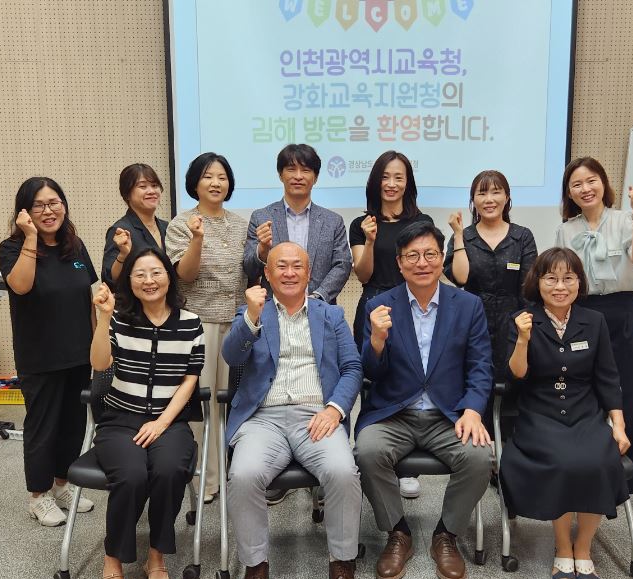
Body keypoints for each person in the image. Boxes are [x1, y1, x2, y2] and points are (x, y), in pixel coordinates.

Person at [222, 242, 363, 579]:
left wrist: (334, 409)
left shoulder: (331, 315)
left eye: (296, 266)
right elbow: (231, 356)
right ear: (267, 274)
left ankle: (342, 564)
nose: (289, 272)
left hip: (315, 415)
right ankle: (256, 567)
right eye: (280, 266)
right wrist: (251, 318)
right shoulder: (251, 312)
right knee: (244, 474)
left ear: (308, 272)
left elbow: (352, 368)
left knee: (343, 471)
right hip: (263, 419)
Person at [356, 221, 493, 579]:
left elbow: (481, 365)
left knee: (480, 457)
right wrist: (377, 341)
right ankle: (397, 532)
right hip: (394, 412)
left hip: (448, 414)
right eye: (412, 256)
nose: (422, 262)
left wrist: (472, 410)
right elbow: (370, 372)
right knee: (367, 452)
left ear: (442, 258)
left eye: (430, 254)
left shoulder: (468, 306)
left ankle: (446, 534)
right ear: (399, 263)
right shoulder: (379, 305)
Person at [500, 247, 630, 579]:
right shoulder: (522, 319)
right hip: (539, 413)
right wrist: (523, 339)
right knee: (562, 462)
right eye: (551, 278)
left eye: (568, 278)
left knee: (599, 460)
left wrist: (618, 425)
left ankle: (583, 548)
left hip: (585, 413)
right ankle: (562, 547)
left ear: (579, 282)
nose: (560, 286)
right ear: (537, 282)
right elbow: (516, 375)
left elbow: (608, 378)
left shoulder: (594, 321)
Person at [90, 248, 204, 579]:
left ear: (169, 276)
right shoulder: (119, 319)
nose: (149, 280)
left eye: (156, 272)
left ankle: (155, 557)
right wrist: (103, 319)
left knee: (170, 470)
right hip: (120, 421)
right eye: (140, 274)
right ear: (130, 281)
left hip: (170, 422)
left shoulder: (190, 322)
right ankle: (113, 560)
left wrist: (162, 422)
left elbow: (190, 379)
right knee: (132, 475)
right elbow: (100, 365)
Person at [0, 177, 97, 527]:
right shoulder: (12, 248)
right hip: (40, 356)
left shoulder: (75, 246)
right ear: (24, 211)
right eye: (38, 205)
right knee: (43, 427)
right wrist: (30, 237)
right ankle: (38, 496)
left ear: (64, 205)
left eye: (54, 203)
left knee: (72, 425)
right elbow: (21, 286)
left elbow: (88, 297)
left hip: (78, 354)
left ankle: (61, 485)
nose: (48, 211)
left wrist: (97, 345)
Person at [554, 156, 633, 494]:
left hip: (624, 312)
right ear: (569, 192)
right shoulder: (566, 230)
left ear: (603, 183)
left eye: (591, 181)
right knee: (588, 392)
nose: (585, 189)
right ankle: (590, 467)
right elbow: (562, 279)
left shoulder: (625, 219)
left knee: (630, 390)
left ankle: (631, 476)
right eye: (576, 184)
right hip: (583, 314)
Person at [349, 150, 434, 500]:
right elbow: (362, 273)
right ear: (375, 181)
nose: (391, 183)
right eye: (385, 176)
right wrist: (370, 240)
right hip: (374, 303)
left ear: (408, 182)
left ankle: (408, 469)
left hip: (413, 303)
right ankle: (374, 459)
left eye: (399, 177)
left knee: (411, 375)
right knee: (372, 378)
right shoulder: (362, 223)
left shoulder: (421, 221)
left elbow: (427, 268)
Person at [164, 152, 248, 504]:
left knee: (234, 400)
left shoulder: (241, 224)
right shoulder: (181, 224)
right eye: (208, 176)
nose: (216, 183)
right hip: (200, 323)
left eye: (222, 177)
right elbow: (184, 275)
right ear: (195, 183)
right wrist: (197, 239)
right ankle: (205, 478)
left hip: (238, 322)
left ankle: (235, 472)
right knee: (204, 401)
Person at [444, 170, 538, 438]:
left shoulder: (522, 236)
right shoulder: (464, 236)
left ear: (507, 197)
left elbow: (530, 288)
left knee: (515, 385)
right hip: (472, 323)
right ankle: (479, 447)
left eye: (496, 192)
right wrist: (458, 235)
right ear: (473, 200)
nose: (489, 199)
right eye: (482, 193)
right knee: (476, 382)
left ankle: (514, 448)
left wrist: (524, 328)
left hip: (514, 323)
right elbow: (461, 278)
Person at [243, 144, 352, 305]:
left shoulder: (333, 221)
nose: (298, 176)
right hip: (273, 309)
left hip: (320, 308)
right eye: (291, 169)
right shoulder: (261, 217)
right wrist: (262, 250)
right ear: (281, 175)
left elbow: (342, 265)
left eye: (306, 170)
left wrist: (317, 298)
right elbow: (249, 270)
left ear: (315, 177)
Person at [102, 163, 169, 288]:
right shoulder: (120, 230)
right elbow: (110, 279)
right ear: (127, 194)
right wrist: (123, 255)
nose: (151, 191)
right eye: (143, 186)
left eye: (155, 185)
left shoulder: (168, 227)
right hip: (135, 299)